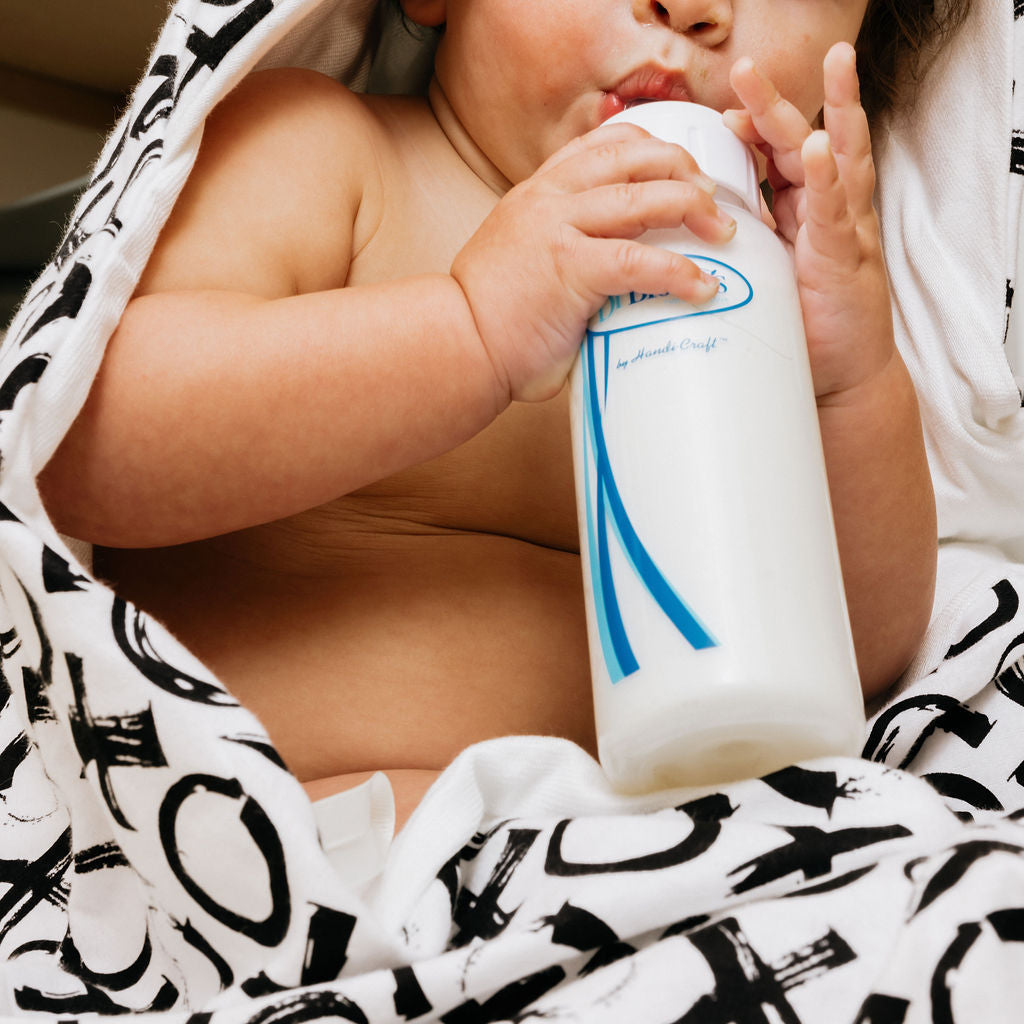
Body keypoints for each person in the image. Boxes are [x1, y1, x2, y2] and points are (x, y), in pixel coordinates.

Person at [38, 0, 966, 829]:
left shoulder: (747, 297)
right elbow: (83, 448)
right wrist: (471, 325)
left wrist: (848, 377)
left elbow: (864, 654)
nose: (691, 9)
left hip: (623, 865)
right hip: (291, 844)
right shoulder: (332, 151)